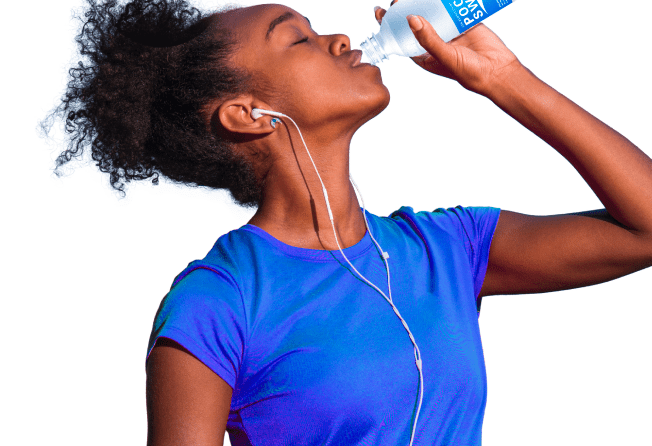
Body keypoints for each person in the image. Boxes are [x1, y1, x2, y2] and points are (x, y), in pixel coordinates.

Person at [46, 0, 652, 445]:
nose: (338, 38)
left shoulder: (443, 249)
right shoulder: (220, 300)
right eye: (298, 40)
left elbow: (644, 227)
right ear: (248, 114)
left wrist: (502, 78)